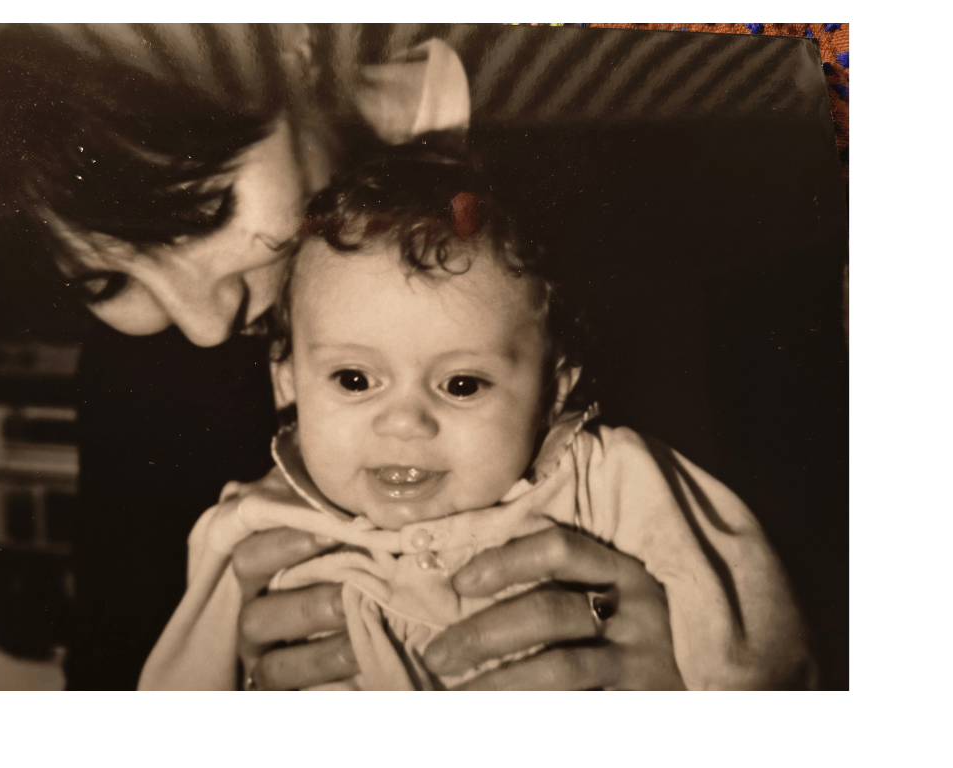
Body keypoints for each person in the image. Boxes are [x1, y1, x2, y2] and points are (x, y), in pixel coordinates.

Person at [0, 23, 707, 691]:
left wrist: (680, 662)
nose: (204, 328)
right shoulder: (140, 371)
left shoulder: (662, 158)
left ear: (288, 45)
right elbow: (111, 666)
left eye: (206, 212)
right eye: (105, 281)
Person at [138, 152, 817, 690]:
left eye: (461, 384)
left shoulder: (608, 481)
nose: (404, 423)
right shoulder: (254, 525)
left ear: (553, 388)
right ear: (286, 379)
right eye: (354, 379)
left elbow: (748, 629)